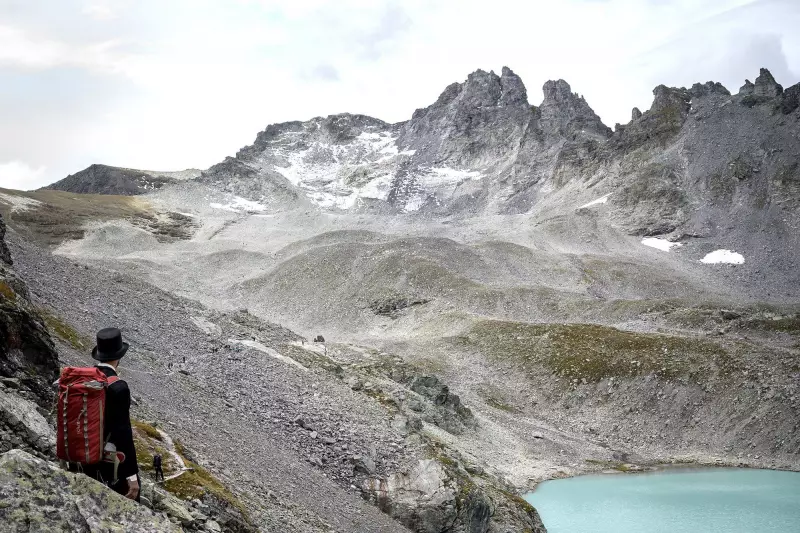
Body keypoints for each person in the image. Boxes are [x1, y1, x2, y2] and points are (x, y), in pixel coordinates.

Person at [69, 328, 140, 501]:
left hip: (82, 459)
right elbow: (123, 433)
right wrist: (131, 476)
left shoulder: (82, 381)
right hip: (111, 465)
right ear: (119, 356)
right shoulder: (118, 387)